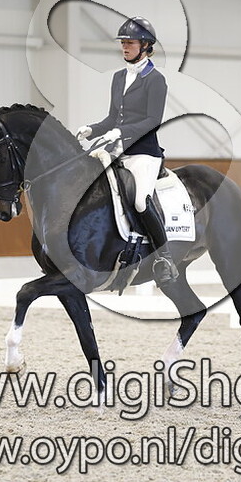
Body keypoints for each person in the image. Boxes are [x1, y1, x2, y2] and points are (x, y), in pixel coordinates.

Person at [76, 16, 178, 286]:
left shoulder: (155, 80)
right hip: (118, 150)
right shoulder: (119, 77)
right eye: (123, 43)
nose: (124, 47)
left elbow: (153, 120)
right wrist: (92, 129)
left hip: (144, 152)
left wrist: (121, 132)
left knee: (141, 201)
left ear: (145, 46)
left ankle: (163, 257)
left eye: (130, 43)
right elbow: (113, 118)